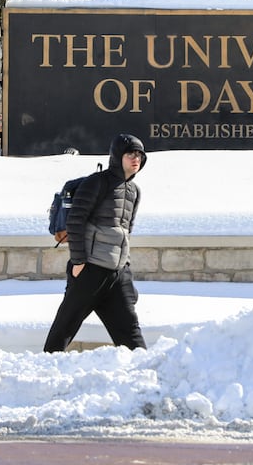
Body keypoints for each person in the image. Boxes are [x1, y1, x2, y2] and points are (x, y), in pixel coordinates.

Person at [43, 133, 148, 352]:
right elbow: (76, 222)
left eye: (139, 154)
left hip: (116, 272)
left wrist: (125, 267)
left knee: (130, 332)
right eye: (130, 154)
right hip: (90, 268)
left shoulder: (134, 191)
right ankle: (44, 369)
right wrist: (79, 261)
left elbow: (126, 231)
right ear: (118, 156)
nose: (135, 158)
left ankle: (144, 377)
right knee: (65, 326)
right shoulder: (97, 183)